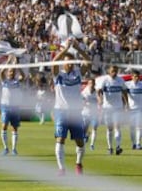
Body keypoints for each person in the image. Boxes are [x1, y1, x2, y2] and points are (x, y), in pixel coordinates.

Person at [51, 38, 91, 176]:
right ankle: (61, 168)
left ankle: (78, 164)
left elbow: (88, 61)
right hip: (61, 111)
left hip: (75, 112)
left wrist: (78, 48)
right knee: (60, 139)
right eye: (67, 62)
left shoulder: (78, 74)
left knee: (79, 142)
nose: (69, 65)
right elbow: (54, 62)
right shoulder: (58, 75)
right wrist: (65, 49)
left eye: (71, 63)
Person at [96, 65, 128, 155]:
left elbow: (124, 91)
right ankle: (110, 147)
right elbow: (98, 90)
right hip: (107, 108)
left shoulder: (120, 80)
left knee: (117, 126)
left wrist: (127, 104)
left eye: (116, 70)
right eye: (113, 70)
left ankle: (118, 147)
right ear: (109, 71)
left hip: (118, 107)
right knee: (109, 128)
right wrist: (100, 98)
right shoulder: (104, 80)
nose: (114, 72)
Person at [0, 54, 25, 156]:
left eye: (13, 71)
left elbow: (23, 76)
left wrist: (17, 65)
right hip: (5, 106)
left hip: (15, 107)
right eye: (10, 71)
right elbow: (1, 72)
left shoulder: (16, 81)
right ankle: (5, 148)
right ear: (7, 73)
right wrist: (8, 62)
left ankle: (14, 149)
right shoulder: (4, 81)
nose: (11, 73)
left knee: (14, 128)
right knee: (4, 126)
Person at [125, 70, 142, 150]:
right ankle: (133, 143)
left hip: (140, 109)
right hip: (130, 109)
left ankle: (138, 143)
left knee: (139, 127)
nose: (136, 78)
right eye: (135, 76)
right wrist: (126, 105)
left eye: (138, 76)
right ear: (132, 77)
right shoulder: (127, 85)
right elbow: (123, 94)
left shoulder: (141, 85)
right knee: (131, 128)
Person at [81, 78, 99, 151]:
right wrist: (85, 103)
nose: (92, 84)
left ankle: (92, 145)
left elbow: (100, 100)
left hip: (94, 112)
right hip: (85, 113)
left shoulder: (97, 92)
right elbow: (81, 101)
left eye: (93, 83)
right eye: (90, 83)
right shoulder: (84, 92)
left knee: (94, 127)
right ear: (88, 84)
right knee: (84, 129)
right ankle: (87, 135)